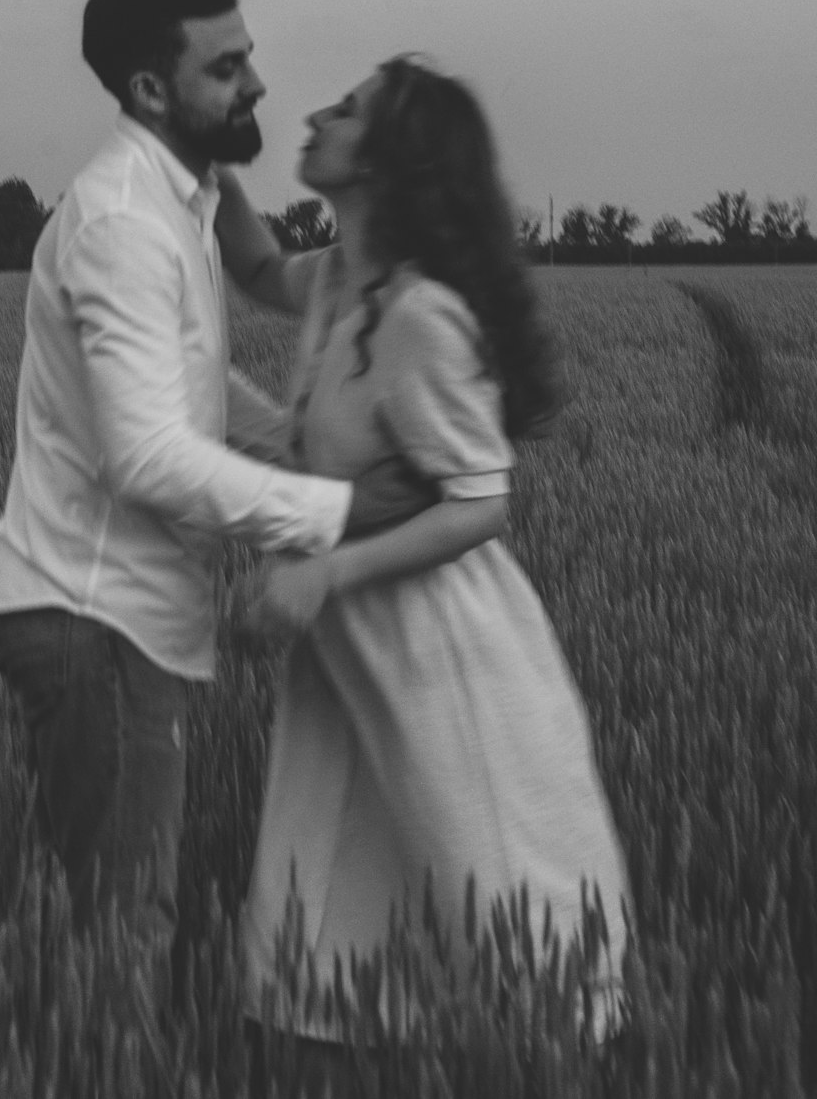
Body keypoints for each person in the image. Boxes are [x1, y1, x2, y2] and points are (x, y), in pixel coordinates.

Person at [0, 0, 412, 962]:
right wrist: (329, 514)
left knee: (108, 916)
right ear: (149, 90)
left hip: (113, 616)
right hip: (98, 614)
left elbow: (199, 385)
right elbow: (147, 452)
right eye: (227, 65)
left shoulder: (184, 195)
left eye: (248, 53)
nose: (257, 81)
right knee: (126, 927)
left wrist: (304, 451)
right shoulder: (129, 224)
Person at [216, 56, 630, 1082]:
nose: (314, 111)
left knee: (489, 905)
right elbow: (260, 270)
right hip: (358, 652)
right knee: (342, 904)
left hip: (443, 652)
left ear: (391, 161)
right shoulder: (337, 279)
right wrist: (206, 157)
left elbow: (481, 500)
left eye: (347, 108)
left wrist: (323, 574)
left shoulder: (418, 315)